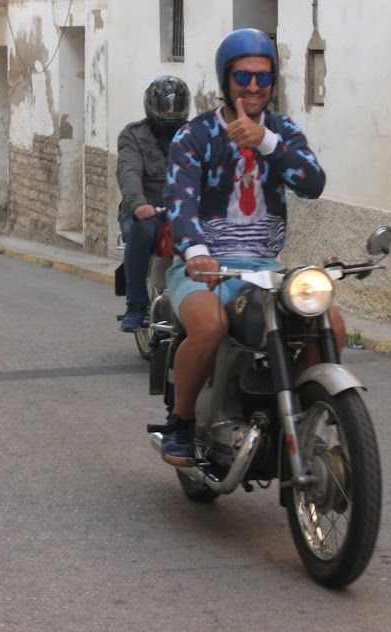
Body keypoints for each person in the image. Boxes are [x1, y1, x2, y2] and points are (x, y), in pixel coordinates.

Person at [158, 28, 339, 467]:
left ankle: (296, 415)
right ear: (226, 79)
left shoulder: (283, 131)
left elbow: (313, 183)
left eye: (264, 78)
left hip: (264, 268)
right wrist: (196, 251)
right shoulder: (195, 136)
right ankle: (181, 422)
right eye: (243, 77)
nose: (254, 87)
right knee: (208, 326)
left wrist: (265, 142)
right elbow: (180, 204)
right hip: (205, 267)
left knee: (330, 321)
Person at [116, 75, 190, 332]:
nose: (170, 111)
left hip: (183, 210)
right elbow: (129, 172)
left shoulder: (193, 135)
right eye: (164, 105)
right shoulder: (133, 135)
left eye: (176, 105)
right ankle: (136, 305)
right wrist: (137, 204)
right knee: (142, 230)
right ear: (151, 105)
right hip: (148, 209)